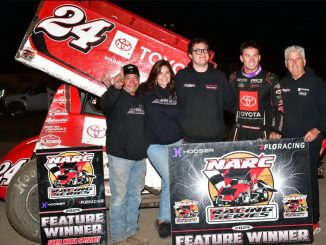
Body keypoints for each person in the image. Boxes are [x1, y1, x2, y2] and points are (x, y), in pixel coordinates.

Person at [279, 45, 326, 234]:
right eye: (290, 60)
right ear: (285, 63)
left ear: (305, 61)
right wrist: (275, 131)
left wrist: (318, 129)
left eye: (298, 59)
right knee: (289, 180)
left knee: (308, 181)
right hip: (287, 143)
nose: (294, 63)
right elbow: (276, 114)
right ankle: (294, 217)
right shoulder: (281, 85)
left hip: (310, 141)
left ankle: (314, 220)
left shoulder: (317, 84)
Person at [100, 64, 149, 245]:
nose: (132, 81)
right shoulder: (116, 97)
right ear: (122, 80)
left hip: (139, 158)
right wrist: (114, 88)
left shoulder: (143, 99)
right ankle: (118, 237)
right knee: (120, 198)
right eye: (128, 78)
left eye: (135, 78)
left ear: (139, 80)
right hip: (120, 157)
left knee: (135, 196)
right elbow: (104, 105)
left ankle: (131, 231)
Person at [139, 60, 182, 238]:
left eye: (167, 72)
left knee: (169, 179)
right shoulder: (144, 91)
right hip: (154, 144)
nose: (164, 76)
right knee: (171, 176)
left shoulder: (176, 92)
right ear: (155, 74)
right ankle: (169, 217)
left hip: (177, 143)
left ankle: (164, 220)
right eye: (160, 72)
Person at [176, 37, 236, 143]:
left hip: (215, 139)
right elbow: (174, 103)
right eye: (198, 50)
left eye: (205, 50)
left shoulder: (219, 76)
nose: (202, 53)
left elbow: (231, 104)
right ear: (190, 55)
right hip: (188, 138)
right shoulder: (182, 76)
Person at [228, 40, 283, 141]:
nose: (252, 59)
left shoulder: (270, 78)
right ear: (241, 58)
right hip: (239, 132)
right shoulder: (233, 78)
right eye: (247, 55)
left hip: (263, 132)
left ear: (259, 57)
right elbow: (227, 103)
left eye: (255, 55)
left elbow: (280, 107)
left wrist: (276, 130)